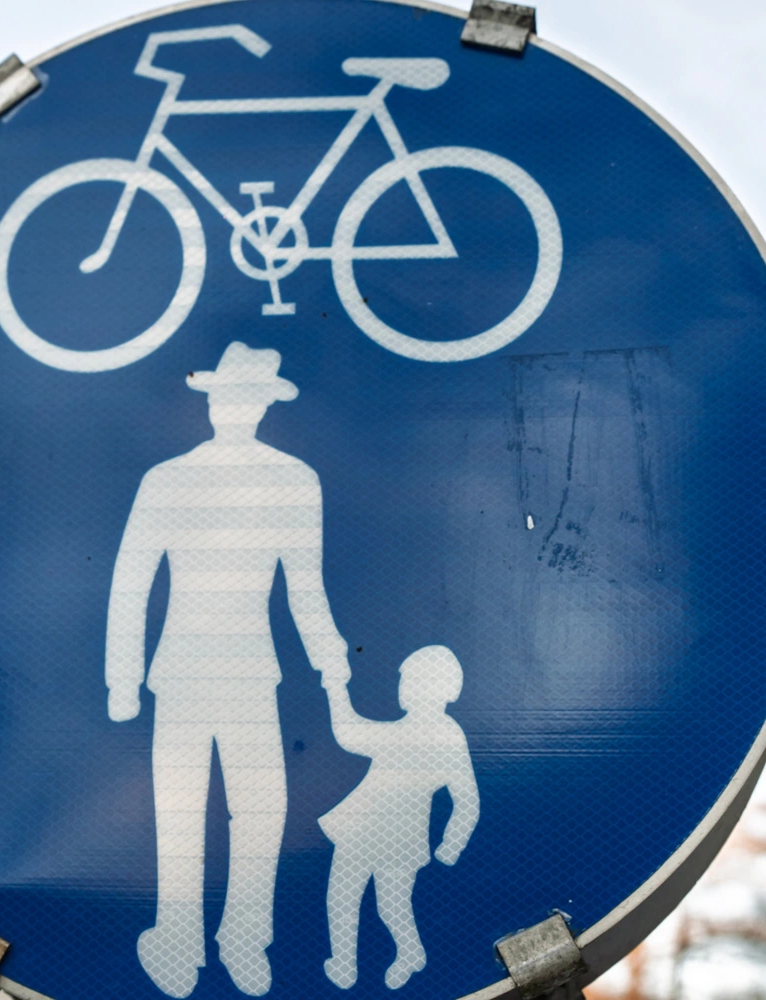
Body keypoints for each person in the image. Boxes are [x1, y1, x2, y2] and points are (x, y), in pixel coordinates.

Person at [106, 342, 350, 998]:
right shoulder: (167, 479)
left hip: (247, 672)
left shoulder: (294, 480)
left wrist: (332, 663)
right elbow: (131, 580)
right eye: (225, 396)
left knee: (259, 808)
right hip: (184, 671)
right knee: (184, 809)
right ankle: (180, 938)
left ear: (261, 407)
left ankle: (244, 936)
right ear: (212, 402)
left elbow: (305, 589)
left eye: (244, 398)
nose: (232, 407)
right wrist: (121, 679)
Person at [320, 646, 480, 991]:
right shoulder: (420, 731)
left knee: (371, 902)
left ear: (441, 687)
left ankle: (396, 955)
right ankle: (350, 963)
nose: (404, 687)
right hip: (381, 834)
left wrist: (452, 845)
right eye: (405, 680)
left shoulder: (443, 736)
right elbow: (350, 734)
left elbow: (467, 800)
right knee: (363, 901)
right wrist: (335, 689)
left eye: (412, 680)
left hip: (375, 833)